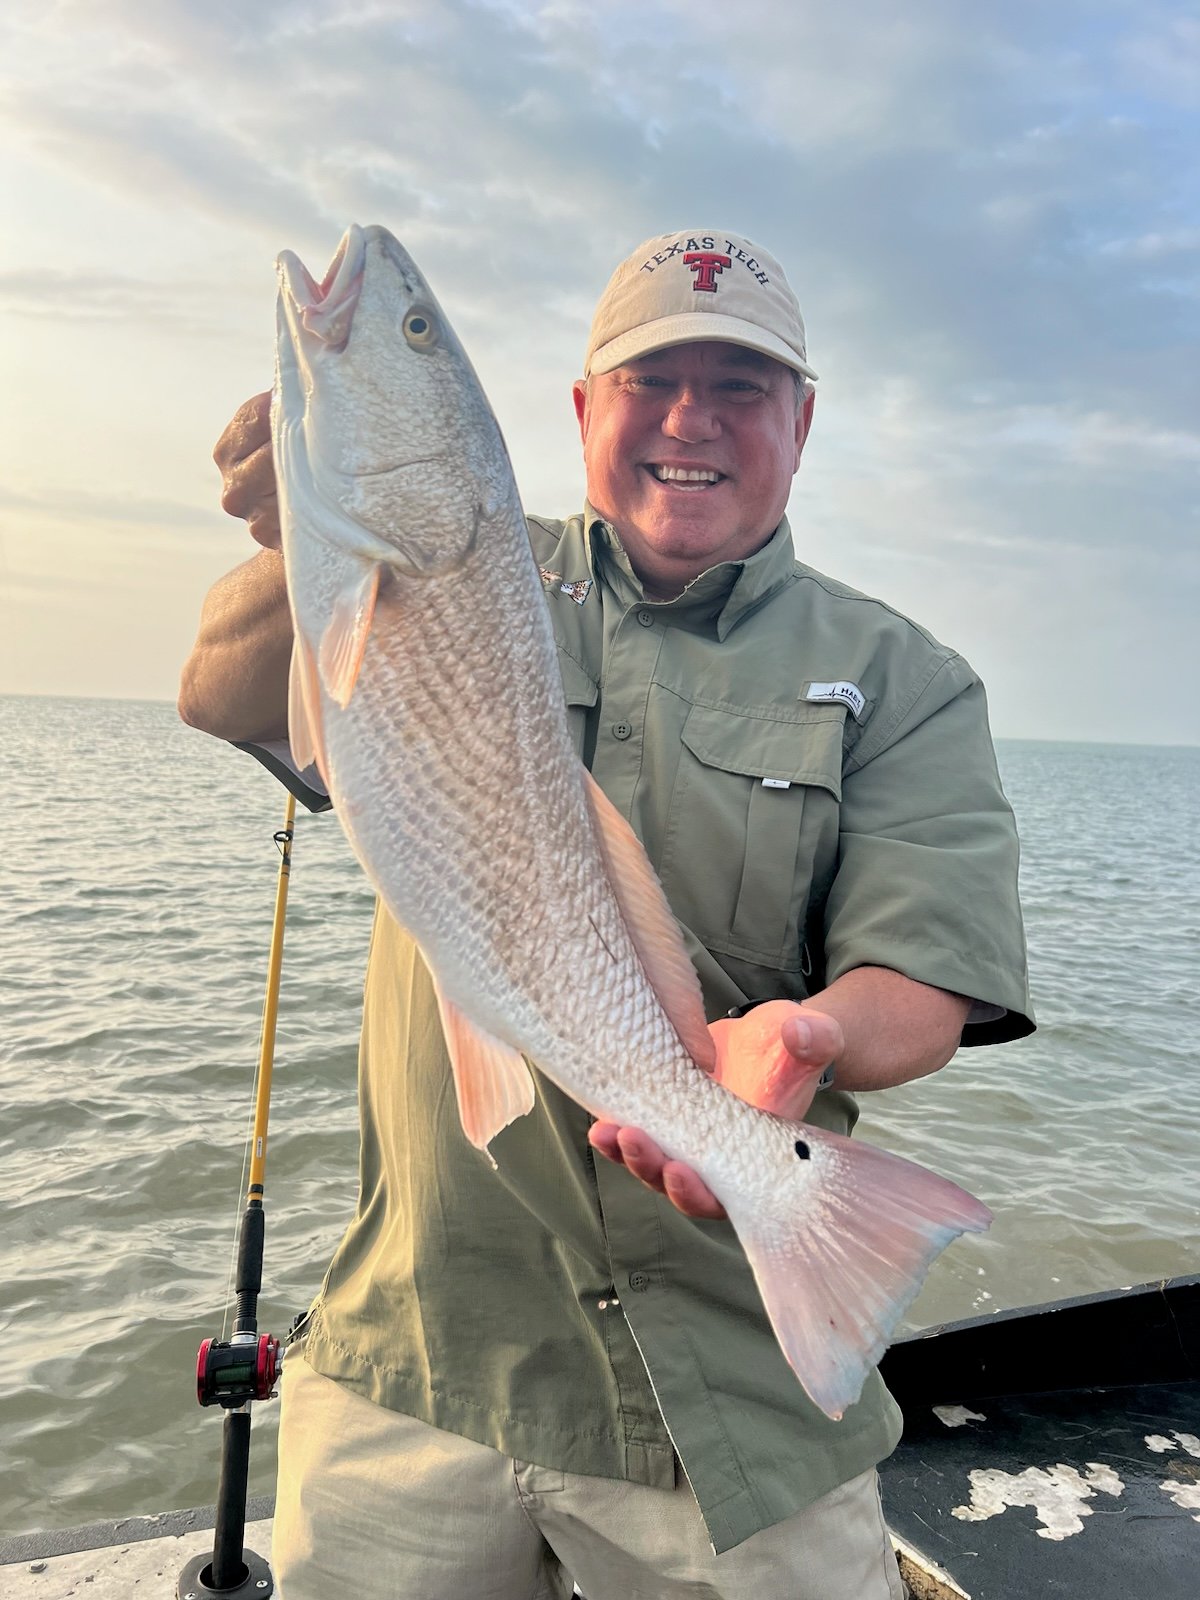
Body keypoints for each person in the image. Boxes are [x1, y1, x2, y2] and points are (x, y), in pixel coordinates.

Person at [180, 228, 1033, 1599]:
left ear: (801, 423)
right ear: (583, 412)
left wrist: (803, 1034)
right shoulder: (478, 562)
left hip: (732, 1391)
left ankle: (807, 1219)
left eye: (740, 387)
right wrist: (300, 525)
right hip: (417, 1350)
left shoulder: (904, 676)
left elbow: (923, 981)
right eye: (651, 381)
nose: (691, 420)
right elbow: (224, 694)